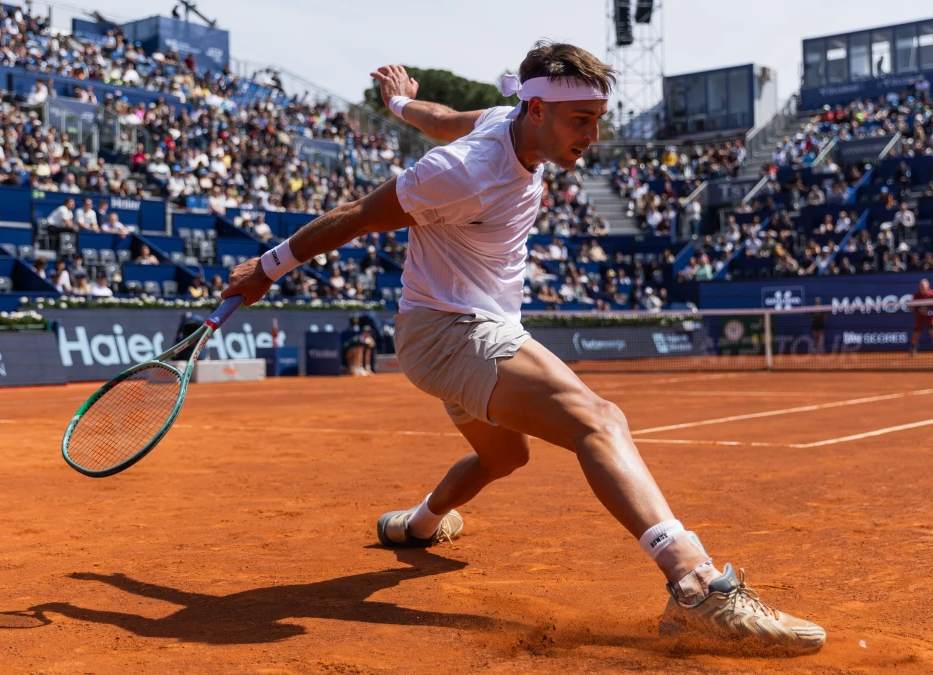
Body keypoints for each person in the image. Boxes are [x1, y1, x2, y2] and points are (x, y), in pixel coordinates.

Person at [223, 43, 824, 650]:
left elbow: (440, 118)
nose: (593, 135)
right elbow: (356, 214)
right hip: (450, 331)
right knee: (598, 419)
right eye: (581, 121)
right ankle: (697, 586)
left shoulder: (505, 120)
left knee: (504, 458)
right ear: (537, 109)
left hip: (463, 329)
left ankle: (416, 526)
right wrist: (266, 268)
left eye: (597, 119)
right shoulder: (463, 171)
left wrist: (401, 101)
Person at [910, 278, 933, 359]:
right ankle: (913, 348)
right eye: (921, 286)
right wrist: (917, 309)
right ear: (919, 286)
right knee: (915, 336)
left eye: (924, 285)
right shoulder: (916, 295)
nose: (923, 287)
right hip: (919, 319)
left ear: (928, 286)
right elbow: (911, 307)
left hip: (930, 319)